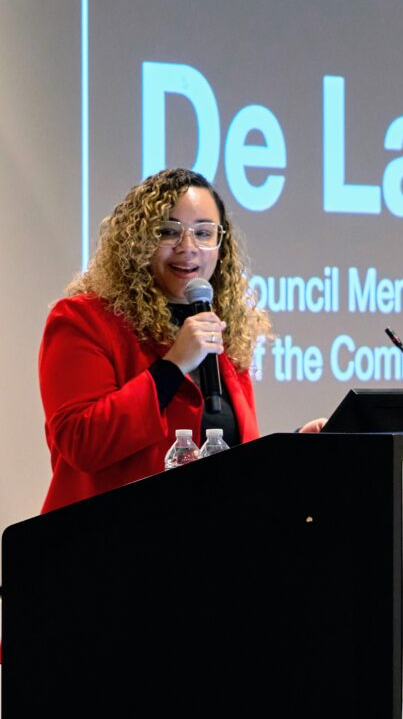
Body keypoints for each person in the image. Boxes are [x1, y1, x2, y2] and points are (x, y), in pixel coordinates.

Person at [39, 168, 323, 512]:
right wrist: (172, 367)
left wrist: (290, 448)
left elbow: (228, 459)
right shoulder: (83, 319)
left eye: (204, 233)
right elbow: (81, 443)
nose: (188, 248)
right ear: (138, 241)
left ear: (221, 247)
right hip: (105, 545)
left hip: (197, 546)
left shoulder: (224, 329)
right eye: (168, 232)